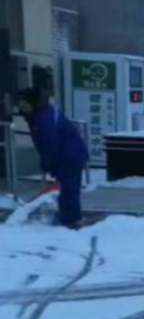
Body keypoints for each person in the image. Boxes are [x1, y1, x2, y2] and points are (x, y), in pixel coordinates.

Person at [17, 87, 89, 228]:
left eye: (24, 104)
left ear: (32, 103)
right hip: (69, 154)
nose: (21, 108)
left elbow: (50, 143)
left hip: (69, 156)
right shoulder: (41, 113)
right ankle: (71, 217)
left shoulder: (44, 118)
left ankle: (70, 220)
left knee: (69, 189)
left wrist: (47, 163)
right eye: (19, 104)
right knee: (69, 189)